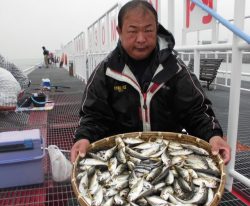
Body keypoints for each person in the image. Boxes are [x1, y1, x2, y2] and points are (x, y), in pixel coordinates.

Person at [70, 0, 231, 164]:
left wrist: (213, 136)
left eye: (148, 30)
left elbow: (196, 111)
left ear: (157, 29)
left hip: (168, 158)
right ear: (119, 31)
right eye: (132, 31)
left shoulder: (175, 69)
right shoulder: (106, 71)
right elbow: (94, 116)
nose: (141, 39)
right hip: (122, 158)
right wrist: (83, 138)